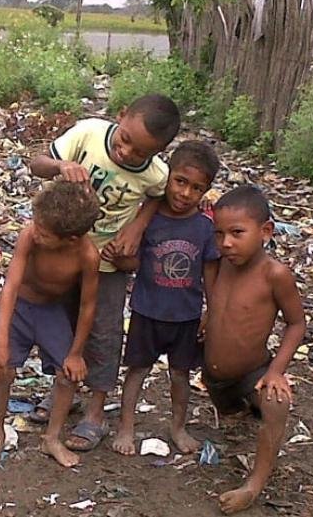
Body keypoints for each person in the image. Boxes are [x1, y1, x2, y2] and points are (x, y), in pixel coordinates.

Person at [29, 93, 181, 452]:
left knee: (104, 332)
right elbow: (37, 163)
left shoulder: (156, 174)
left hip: (108, 265)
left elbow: (158, 197)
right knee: (60, 327)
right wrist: (59, 168)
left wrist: (136, 228)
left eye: (140, 152)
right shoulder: (88, 133)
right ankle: (62, 393)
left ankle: (96, 409)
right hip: (63, 254)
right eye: (126, 140)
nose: (127, 153)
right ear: (121, 114)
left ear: (157, 153)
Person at [0, 181, 101, 468]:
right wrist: (1, 340)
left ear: (70, 238)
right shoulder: (29, 236)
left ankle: (52, 438)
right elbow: (10, 286)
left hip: (51, 312)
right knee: (2, 369)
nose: (36, 230)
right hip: (20, 307)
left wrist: (76, 352)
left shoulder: (86, 255)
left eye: (44, 231)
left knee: (68, 374)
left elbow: (87, 305)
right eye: (36, 224)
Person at [109, 140, 221, 456]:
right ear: (167, 177)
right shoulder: (149, 220)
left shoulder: (204, 228)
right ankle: (126, 427)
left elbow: (210, 275)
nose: (185, 193)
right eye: (180, 181)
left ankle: (178, 427)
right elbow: (136, 263)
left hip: (185, 316)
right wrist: (120, 261)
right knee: (137, 371)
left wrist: (210, 313)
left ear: (206, 191)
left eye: (196, 188)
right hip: (147, 311)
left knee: (180, 375)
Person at [204, 186, 306, 514]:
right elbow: (221, 303)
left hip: (254, 372)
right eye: (218, 234)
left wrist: (276, 371)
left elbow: (296, 324)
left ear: (266, 231)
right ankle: (241, 409)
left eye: (236, 233)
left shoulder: (274, 274)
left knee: (277, 405)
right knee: (234, 416)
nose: (226, 243)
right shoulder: (221, 263)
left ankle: (254, 484)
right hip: (214, 378)